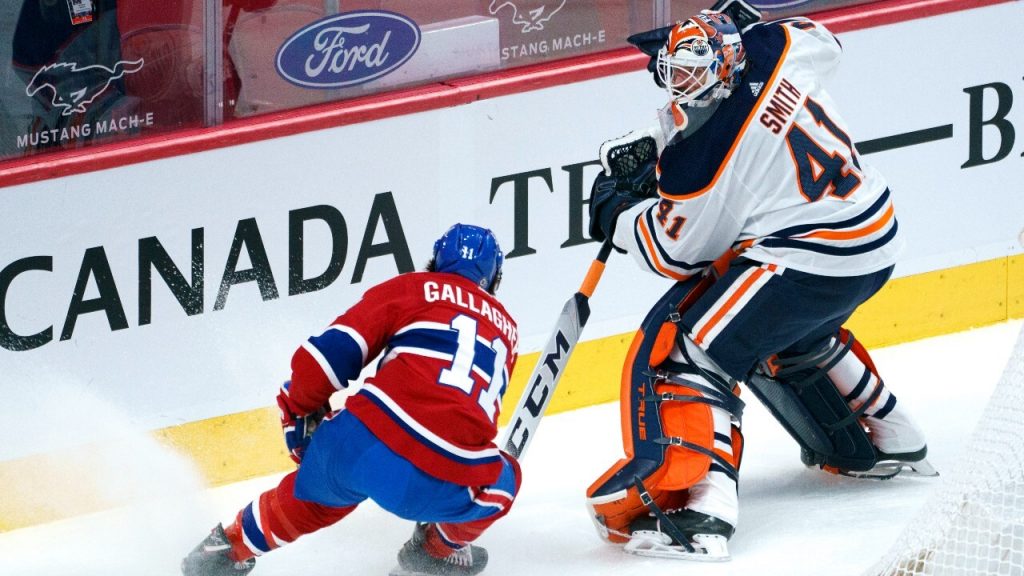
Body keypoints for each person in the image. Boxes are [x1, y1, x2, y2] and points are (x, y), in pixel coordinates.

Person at [583, 4, 934, 562]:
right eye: (677, 71)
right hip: (876, 237)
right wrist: (657, 132)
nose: (683, 84)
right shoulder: (775, 47)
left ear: (723, 67)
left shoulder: (707, 158)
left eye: (694, 73)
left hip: (812, 260)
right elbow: (824, 41)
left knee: (691, 353)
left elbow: (674, 253)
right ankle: (889, 435)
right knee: (788, 334)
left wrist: (618, 212)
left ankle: (704, 514)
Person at [182, 224, 520, 576]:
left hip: (362, 441)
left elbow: (324, 359)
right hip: (443, 474)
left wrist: (298, 409)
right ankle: (435, 551)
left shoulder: (411, 288)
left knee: (316, 496)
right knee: (506, 480)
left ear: (434, 261)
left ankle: (223, 551)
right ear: (494, 279)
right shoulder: (507, 330)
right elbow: (466, 416)